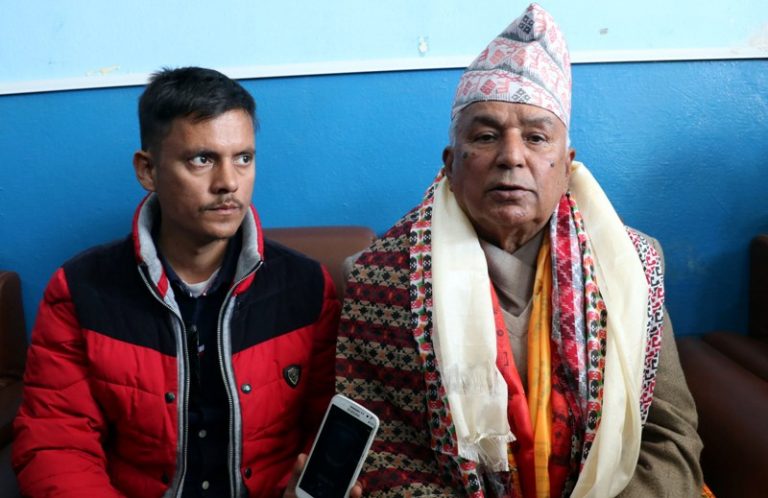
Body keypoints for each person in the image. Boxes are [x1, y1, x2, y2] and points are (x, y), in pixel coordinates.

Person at [336, 4, 706, 497]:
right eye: (486, 136)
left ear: (567, 165)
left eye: (536, 137)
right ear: (450, 163)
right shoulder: (380, 279)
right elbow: (384, 456)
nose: (512, 157)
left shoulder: (631, 267)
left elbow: (668, 438)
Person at [13, 67, 340, 497]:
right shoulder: (79, 290)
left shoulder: (307, 287)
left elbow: (331, 428)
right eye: (202, 159)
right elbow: (56, 442)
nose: (228, 182)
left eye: (243, 158)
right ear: (148, 170)